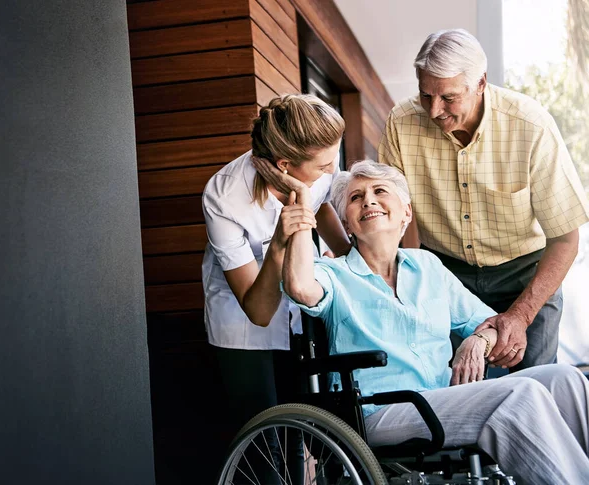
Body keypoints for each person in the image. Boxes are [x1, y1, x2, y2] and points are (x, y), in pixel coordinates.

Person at [281, 160, 589, 484]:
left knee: (565, 380)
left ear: (406, 213)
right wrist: (302, 209)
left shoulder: (427, 266)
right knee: (520, 393)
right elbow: (300, 287)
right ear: (347, 222)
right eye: (356, 197)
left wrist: (478, 340)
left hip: (442, 400)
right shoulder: (335, 274)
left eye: (379, 191)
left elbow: (490, 324)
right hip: (380, 411)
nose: (368, 200)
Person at [378, 29, 589, 372]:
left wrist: (520, 316)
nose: (433, 110)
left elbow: (566, 238)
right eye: (425, 94)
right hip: (446, 274)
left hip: (526, 274)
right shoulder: (401, 124)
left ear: (480, 84)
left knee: (536, 389)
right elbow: (389, 216)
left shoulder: (531, 126)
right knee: (460, 391)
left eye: (448, 97)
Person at [202, 94, 351, 481]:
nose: (333, 169)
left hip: (297, 310)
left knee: (301, 429)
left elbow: (320, 206)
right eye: (324, 165)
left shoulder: (315, 171)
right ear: (285, 166)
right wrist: (281, 243)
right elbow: (259, 310)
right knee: (262, 436)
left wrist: (352, 258)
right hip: (242, 321)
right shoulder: (224, 197)